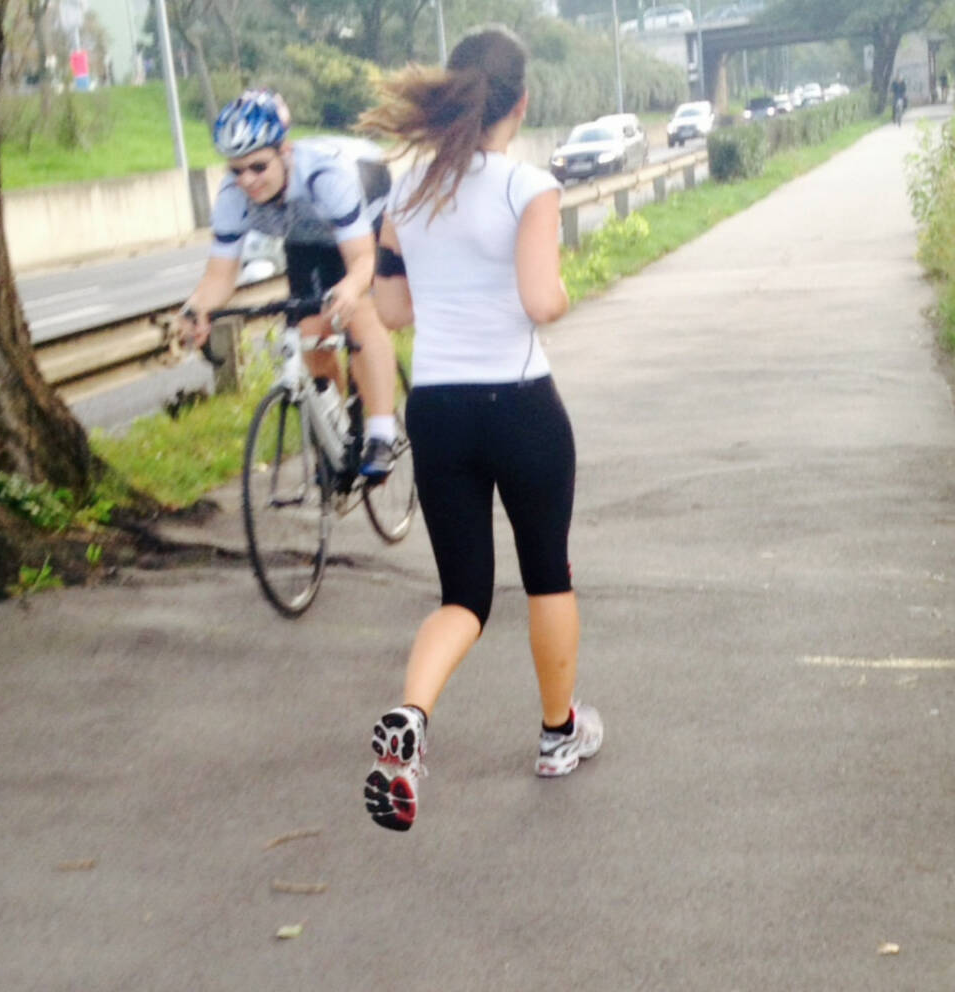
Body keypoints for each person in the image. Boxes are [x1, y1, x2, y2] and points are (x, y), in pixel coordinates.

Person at [356, 26, 603, 832]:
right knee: (546, 574)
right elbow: (540, 302)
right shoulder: (526, 186)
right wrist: (562, 294)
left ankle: (412, 718)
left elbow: (390, 310)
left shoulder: (409, 192)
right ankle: (559, 735)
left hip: (440, 408)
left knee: (462, 594)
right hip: (521, 406)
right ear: (520, 102)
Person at [176, 89, 401, 479]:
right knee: (310, 327)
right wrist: (196, 307)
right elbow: (220, 276)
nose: (247, 180)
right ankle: (340, 433)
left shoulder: (325, 175)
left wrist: (349, 288)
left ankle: (383, 433)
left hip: (367, 208)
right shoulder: (234, 196)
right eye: (236, 169)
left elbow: (363, 259)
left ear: (285, 152)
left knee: (358, 309)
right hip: (305, 233)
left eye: (258, 167)